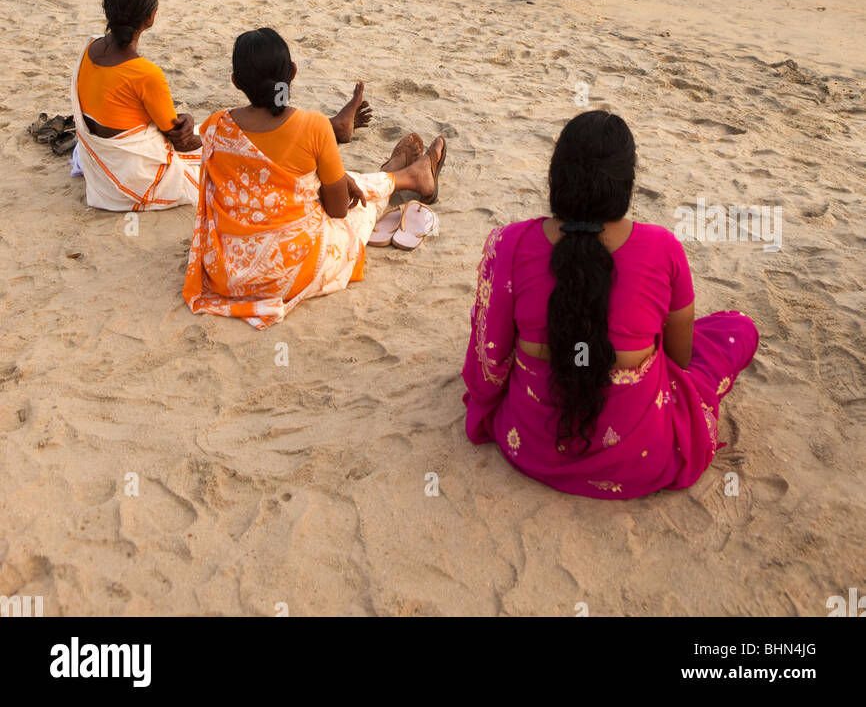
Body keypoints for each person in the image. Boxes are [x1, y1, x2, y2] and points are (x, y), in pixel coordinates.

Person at [462, 110, 759, 499]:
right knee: (736, 328)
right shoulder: (663, 248)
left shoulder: (509, 243)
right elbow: (681, 359)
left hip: (530, 443)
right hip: (639, 457)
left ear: (556, 178)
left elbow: (489, 360)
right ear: (627, 184)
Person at [182, 28, 447, 327]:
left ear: (235, 82)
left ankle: (400, 171)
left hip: (226, 273)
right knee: (359, 206)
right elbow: (337, 210)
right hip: (289, 274)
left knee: (339, 180)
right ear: (292, 73)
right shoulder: (314, 126)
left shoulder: (217, 125)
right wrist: (327, 183)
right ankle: (408, 176)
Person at [70, 0, 202, 212]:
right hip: (130, 177)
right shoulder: (146, 74)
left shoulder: (91, 48)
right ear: (151, 17)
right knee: (216, 144)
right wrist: (195, 130)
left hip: (101, 162)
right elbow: (181, 140)